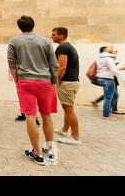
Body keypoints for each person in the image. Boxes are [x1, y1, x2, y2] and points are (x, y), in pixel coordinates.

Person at [7, 16, 58, 166]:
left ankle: (37, 153)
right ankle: (49, 150)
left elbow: (12, 63)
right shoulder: (45, 41)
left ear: (19, 27)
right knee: (46, 115)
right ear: (33, 25)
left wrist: (17, 80)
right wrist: (54, 81)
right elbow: (53, 64)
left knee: (30, 116)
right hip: (45, 81)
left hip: (25, 82)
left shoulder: (14, 41)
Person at [51, 27, 82, 146]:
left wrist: (56, 81)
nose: (52, 36)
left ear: (61, 36)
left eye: (54, 35)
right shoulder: (68, 46)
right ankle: (64, 130)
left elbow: (62, 67)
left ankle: (75, 137)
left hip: (67, 82)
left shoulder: (62, 47)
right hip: (72, 82)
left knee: (69, 109)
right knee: (66, 108)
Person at [92, 47, 125, 115]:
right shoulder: (109, 59)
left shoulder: (101, 58)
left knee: (114, 95)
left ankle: (108, 110)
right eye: (115, 51)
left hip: (101, 78)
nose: (116, 52)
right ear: (111, 52)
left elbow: (108, 69)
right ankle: (107, 114)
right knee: (108, 97)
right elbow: (114, 70)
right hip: (108, 79)